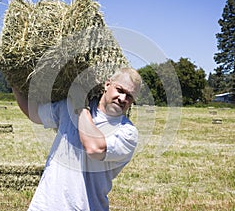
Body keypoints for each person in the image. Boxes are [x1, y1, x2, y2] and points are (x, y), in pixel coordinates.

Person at [13, 67, 142, 211]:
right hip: (45, 204)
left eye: (129, 96)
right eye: (120, 90)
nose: (123, 98)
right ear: (107, 85)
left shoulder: (127, 132)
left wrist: (81, 107)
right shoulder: (69, 105)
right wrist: (14, 81)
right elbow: (35, 114)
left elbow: (94, 148)